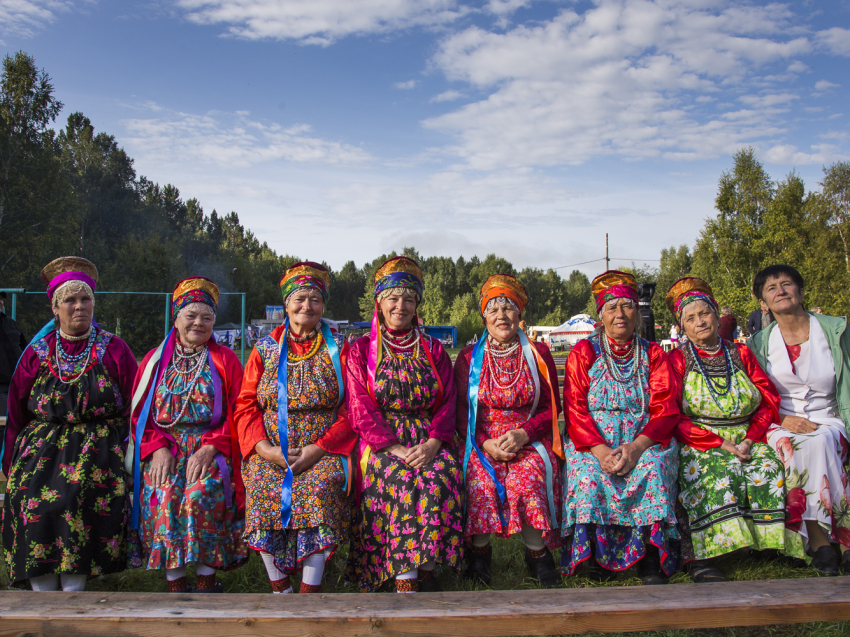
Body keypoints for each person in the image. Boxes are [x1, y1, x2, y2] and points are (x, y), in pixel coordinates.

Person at [1, 257, 137, 591]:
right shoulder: (36, 352)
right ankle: (41, 592)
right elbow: (18, 412)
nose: (79, 306)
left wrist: (130, 451)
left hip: (100, 445)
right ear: (54, 308)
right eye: (70, 300)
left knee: (76, 496)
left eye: (86, 298)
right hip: (42, 448)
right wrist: (10, 462)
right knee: (30, 496)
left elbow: (136, 404)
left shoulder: (114, 349)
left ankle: (75, 592)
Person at [665, 277, 804, 583]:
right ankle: (707, 552)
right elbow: (672, 413)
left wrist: (752, 438)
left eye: (705, 314)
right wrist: (717, 442)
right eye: (691, 319)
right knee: (715, 470)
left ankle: (767, 544)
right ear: (682, 327)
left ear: (717, 316)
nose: (700, 322)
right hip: (699, 438)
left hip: (747, 434)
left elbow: (768, 400)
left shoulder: (740, 353)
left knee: (768, 464)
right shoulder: (677, 359)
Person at [235, 262, 356, 594]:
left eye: (315, 300)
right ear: (286, 303)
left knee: (321, 488)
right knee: (261, 484)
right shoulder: (264, 350)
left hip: (324, 449)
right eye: (300, 298)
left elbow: (351, 409)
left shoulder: (339, 350)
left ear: (323, 306)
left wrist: (318, 449)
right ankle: (280, 588)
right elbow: (246, 406)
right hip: (272, 449)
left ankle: (309, 592)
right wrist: (266, 450)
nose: (307, 306)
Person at [346, 256, 463, 593]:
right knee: (400, 478)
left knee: (440, 474)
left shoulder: (433, 349)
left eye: (408, 299)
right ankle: (400, 576)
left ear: (417, 305)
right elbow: (359, 405)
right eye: (393, 299)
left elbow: (448, 400)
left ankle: (425, 569)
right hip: (381, 441)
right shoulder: (361, 350)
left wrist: (433, 444)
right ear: (379, 303)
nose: (401, 306)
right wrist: (393, 447)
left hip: (427, 438)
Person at [128, 277, 248, 593]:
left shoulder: (226, 360)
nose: (199, 323)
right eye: (191, 316)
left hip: (212, 446)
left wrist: (211, 448)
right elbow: (140, 415)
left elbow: (239, 411)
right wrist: (156, 449)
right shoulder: (154, 360)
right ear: (176, 317)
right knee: (165, 494)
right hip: (165, 447)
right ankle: (176, 585)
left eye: (207, 317)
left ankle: (207, 584)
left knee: (201, 494)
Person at [560, 270, 680, 585]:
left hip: (644, 441)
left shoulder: (653, 354)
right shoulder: (584, 352)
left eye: (626, 306)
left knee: (652, 469)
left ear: (637, 313)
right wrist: (600, 452)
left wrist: (638, 448)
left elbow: (666, 408)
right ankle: (596, 556)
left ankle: (651, 557)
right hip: (594, 442)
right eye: (611, 307)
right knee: (588, 474)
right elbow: (575, 409)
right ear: (601, 315)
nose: (620, 314)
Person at [454, 275, 562, 587]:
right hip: (482, 441)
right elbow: (462, 413)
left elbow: (551, 407)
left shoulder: (538, 354)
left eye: (509, 308)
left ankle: (537, 554)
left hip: (528, 440)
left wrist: (525, 434)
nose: (501, 315)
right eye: (493, 309)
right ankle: (479, 554)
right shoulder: (468, 358)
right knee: (482, 481)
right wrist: (485, 444)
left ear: (519, 315)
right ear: (484, 316)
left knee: (526, 480)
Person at [750, 264, 850, 576]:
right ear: (764, 303)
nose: (780, 290)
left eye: (786, 284)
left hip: (831, 416)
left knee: (818, 440)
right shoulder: (759, 343)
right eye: (771, 288)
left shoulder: (837, 330)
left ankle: (820, 542)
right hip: (781, 421)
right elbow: (757, 395)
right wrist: (781, 418)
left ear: (801, 291)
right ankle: (839, 540)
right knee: (798, 443)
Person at [0, 291, 26, 417]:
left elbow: (24, 348)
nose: (0, 303)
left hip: (16, 383)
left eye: (1, 300)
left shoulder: (9, 322)